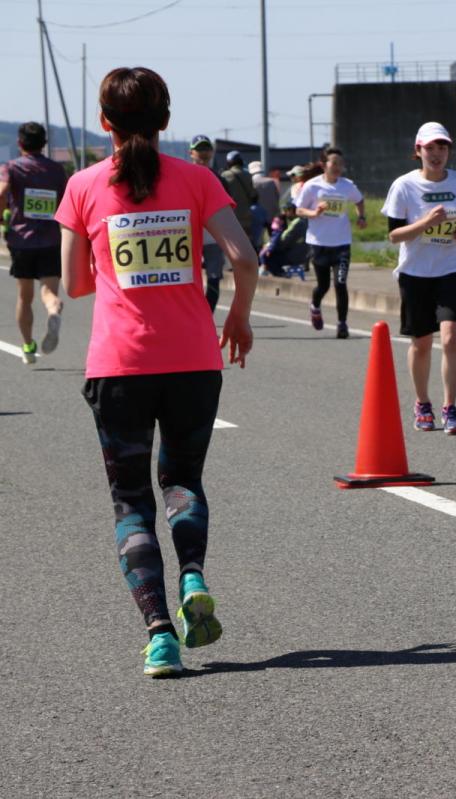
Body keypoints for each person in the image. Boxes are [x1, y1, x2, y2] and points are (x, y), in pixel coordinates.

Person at [56, 66, 258, 677]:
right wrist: (239, 319)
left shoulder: (85, 185)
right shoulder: (197, 180)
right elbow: (244, 257)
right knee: (183, 482)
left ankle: (159, 634)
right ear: (166, 121)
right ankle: (193, 575)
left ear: (103, 123)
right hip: (194, 361)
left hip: (119, 365)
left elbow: (73, 285)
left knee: (131, 503)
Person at [382, 121, 456, 435]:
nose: (436, 154)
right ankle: (422, 402)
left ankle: (450, 407)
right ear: (418, 151)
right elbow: (394, 235)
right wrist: (425, 222)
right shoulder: (404, 186)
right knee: (422, 343)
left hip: (451, 268)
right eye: (430, 148)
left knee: (451, 336)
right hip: (415, 272)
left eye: (442, 147)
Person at [0, 122, 67, 364]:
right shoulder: (56, 170)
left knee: (24, 297)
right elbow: (66, 202)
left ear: (20, 144)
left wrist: (2, 217)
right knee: (48, 292)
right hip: (50, 239)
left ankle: (28, 346)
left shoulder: (12, 167)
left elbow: (2, 192)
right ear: (44, 144)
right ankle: (53, 310)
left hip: (22, 240)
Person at [295, 146, 366, 339]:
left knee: (340, 284)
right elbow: (299, 210)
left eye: (340, 164)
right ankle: (315, 306)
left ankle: (342, 324)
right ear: (324, 165)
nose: (337, 167)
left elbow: (359, 200)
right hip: (319, 244)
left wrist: (361, 217)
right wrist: (314, 212)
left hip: (342, 244)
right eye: (334, 163)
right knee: (323, 286)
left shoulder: (347, 185)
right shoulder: (312, 186)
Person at [188, 134, 227, 312]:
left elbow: (229, 209)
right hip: (187, 237)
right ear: (191, 152)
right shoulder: (183, 177)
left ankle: (207, 320)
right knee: (188, 281)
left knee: (213, 279)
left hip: (213, 237)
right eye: (199, 149)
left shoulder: (221, 179)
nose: (203, 153)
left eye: (206, 149)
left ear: (212, 152)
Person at [259, 198, 308, 277]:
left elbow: (284, 240)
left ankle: (280, 273)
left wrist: (269, 246)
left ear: (292, 210)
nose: (285, 213)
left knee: (266, 256)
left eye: (286, 210)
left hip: (295, 255)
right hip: (298, 252)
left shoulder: (297, 223)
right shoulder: (301, 221)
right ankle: (280, 273)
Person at [220, 149, 257, 241]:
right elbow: (253, 194)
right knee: (246, 243)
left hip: (231, 216)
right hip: (246, 216)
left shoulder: (225, 175)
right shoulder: (248, 175)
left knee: (233, 243)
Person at [248, 159, 280, 251]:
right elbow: (277, 198)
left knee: (257, 239)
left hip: (256, 215)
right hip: (271, 215)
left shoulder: (251, 183)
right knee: (272, 238)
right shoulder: (271, 182)